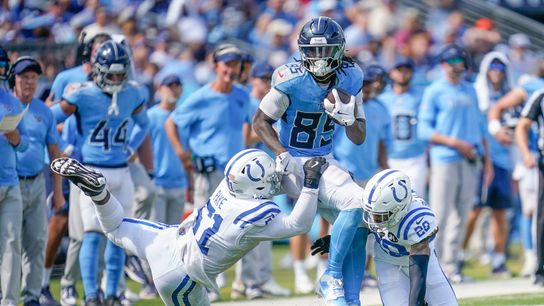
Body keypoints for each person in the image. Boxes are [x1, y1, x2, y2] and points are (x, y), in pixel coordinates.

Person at [50, 150, 327, 306]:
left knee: (116, 228)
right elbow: (298, 223)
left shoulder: (228, 186)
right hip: (181, 274)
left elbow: (260, 183)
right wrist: (311, 183)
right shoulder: (258, 212)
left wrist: (282, 171)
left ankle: (99, 194)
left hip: (168, 239)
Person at [253, 16, 368, 304]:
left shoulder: (351, 78)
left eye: (326, 50)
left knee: (360, 219)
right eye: (313, 51)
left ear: (339, 50)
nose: (319, 57)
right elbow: (260, 122)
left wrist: (348, 118)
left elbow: (359, 136)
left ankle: (345, 297)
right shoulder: (290, 79)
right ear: (303, 51)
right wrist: (281, 154)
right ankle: (330, 275)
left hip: (323, 159)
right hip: (291, 161)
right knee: (237, 209)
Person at [51, 40, 149, 306]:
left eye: (120, 73)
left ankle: (112, 294)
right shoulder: (81, 93)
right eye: (112, 73)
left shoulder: (133, 93)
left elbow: (144, 123)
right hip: (91, 171)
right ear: (98, 70)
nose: (116, 79)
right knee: (92, 235)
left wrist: (131, 145)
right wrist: (62, 146)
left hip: (122, 171)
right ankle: (92, 294)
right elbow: (51, 118)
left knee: (121, 237)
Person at [311, 169, 458, 306]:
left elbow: (418, 275)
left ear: (398, 209)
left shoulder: (416, 219)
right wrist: (338, 238)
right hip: (386, 260)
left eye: (379, 216)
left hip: (419, 262)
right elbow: (366, 226)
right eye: (371, 213)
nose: (373, 219)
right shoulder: (375, 206)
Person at [43, 32, 112, 306]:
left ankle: (98, 286)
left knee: (100, 229)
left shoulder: (114, 83)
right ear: (88, 51)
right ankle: (53, 283)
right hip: (70, 160)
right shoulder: (67, 79)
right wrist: (65, 140)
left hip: (100, 164)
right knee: (65, 224)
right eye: (98, 49)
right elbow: (48, 114)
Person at [417, 44, 493, 282]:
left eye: (459, 61)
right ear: (443, 64)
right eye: (451, 62)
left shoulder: (470, 90)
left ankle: (452, 266)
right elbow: (423, 130)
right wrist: (454, 143)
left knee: (462, 213)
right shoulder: (435, 91)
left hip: (471, 159)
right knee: (440, 212)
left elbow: (480, 128)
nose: (456, 66)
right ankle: (433, 267)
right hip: (445, 159)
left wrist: (486, 159)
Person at [165, 43, 250, 210]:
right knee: (202, 223)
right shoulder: (202, 97)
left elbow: (245, 125)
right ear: (216, 66)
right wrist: (181, 153)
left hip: (235, 174)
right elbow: (171, 122)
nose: (231, 70)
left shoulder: (242, 95)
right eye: (227, 65)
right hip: (208, 173)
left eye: (235, 65)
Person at [233, 62, 291, 299]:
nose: (267, 83)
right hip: (249, 173)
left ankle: (258, 279)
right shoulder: (246, 102)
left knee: (266, 224)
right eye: (262, 78)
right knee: (250, 227)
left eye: (269, 78)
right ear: (253, 80)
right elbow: (245, 137)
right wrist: (268, 129)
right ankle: (249, 281)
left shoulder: (273, 101)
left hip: (267, 171)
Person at [10, 56, 63, 306]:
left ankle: (31, 296)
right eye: (24, 77)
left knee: (36, 241)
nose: (29, 83)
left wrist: (59, 191)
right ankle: (5, 293)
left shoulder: (45, 112)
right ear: (14, 79)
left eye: (33, 77)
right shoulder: (6, 106)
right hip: (9, 182)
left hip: (37, 182)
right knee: (9, 242)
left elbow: (54, 153)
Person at [463, 52, 516, 277]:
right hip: (483, 160)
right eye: (493, 67)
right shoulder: (477, 94)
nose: (497, 71)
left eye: (500, 67)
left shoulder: (509, 95)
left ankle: (499, 259)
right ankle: (459, 255)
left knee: (500, 213)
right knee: (473, 211)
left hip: (504, 159)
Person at [0, 45, 29, 306]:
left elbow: (25, 145)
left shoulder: (11, 100)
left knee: (11, 246)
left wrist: (17, 138)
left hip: (10, 181)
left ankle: (9, 302)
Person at [380, 60, 428, 196]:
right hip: (390, 157)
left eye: (407, 70)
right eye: (399, 70)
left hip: (415, 157)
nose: (403, 74)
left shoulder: (420, 96)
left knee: (415, 201)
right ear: (392, 73)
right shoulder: (383, 98)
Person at [516, 89, 544, 285]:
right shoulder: (540, 96)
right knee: (542, 217)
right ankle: (540, 267)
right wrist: (526, 153)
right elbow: (522, 126)